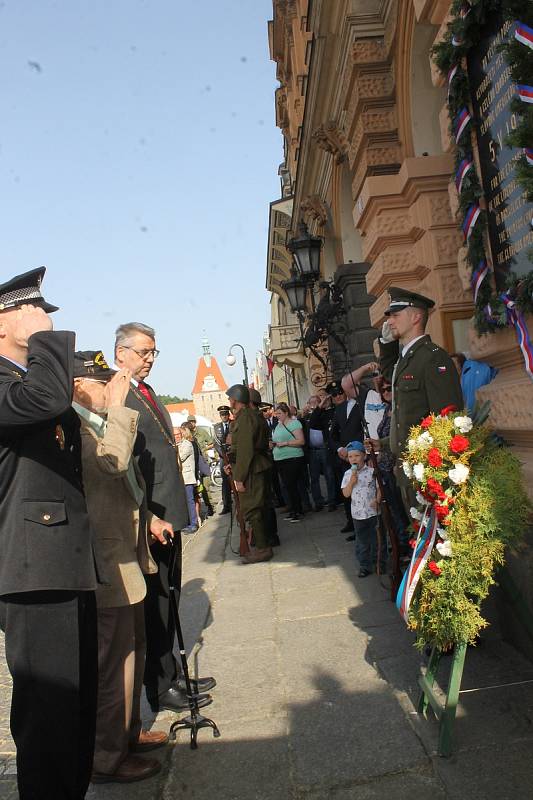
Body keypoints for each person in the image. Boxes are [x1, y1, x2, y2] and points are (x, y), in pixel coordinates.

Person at [0, 268, 99, 800]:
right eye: (29, 310)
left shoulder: (22, 381)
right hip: (31, 569)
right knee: (48, 715)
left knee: (74, 710)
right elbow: (45, 402)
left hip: (62, 562)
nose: (43, 317)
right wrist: (46, 341)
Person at [73, 351, 171, 784]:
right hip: (105, 561)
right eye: (100, 383)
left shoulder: (97, 421)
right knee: (113, 661)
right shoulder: (76, 425)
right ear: (78, 386)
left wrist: (148, 517)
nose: (110, 390)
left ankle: (129, 734)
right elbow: (108, 465)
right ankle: (106, 756)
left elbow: (126, 482)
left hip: (125, 554)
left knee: (134, 650)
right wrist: (116, 406)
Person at [114, 322, 215, 714]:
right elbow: (127, 463)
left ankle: (174, 673)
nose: (150, 360)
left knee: (170, 595)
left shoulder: (145, 390)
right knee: (154, 605)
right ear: (121, 352)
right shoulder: (119, 392)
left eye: (154, 352)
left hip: (168, 510)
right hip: (151, 515)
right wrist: (150, 515)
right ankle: (159, 685)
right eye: (144, 352)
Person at [378, 287, 463, 510]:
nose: (390, 322)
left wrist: (439, 472)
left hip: (427, 469)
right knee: (419, 534)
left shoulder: (433, 358)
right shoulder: (408, 358)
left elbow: (446, 419)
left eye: (396, 315)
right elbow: (390, 373)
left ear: (416, 317)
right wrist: (386, 345)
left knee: (434, 538)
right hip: (408, 468)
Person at [225, 384, 273, 564]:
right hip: (254, 465)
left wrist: (239, 477)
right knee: (256, 508)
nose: (229, 401)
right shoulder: (249, 416)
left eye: (231, 398)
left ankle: (262, 549)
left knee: (252, 509)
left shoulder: (245, 418)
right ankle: (262, 545)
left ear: (237, 399)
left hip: (251, 468)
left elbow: (245, 449)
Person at [330, 363, 378, 535]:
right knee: (349, 490)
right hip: (345, 456)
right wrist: (339, 449)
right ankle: (353, 523)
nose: (340, 394)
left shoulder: (364, 402)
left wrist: (360, 451)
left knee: (366, 490)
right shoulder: (340, 408)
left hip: (362, 454)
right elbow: (333, 434)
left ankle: (368, 525)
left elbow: (365, 429)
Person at [341, 441, 384, 578]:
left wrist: (377, 500)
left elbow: (379, 488)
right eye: (350, 457)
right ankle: (364, 566)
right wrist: (352, 482)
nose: (353, 459)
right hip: (358, 514)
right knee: (362, 541)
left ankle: (380, 563)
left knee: (378, 539)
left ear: (364, 456)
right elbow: (346, 494)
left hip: (373, 512)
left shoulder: (372, 472)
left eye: (357, 456)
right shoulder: (348, 474)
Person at [272, 401, 306, 523]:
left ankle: (298, 511)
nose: (277, 415)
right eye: (276, 413)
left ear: (286, 413)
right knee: (287, 486)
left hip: (292, 458)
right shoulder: (278, 425)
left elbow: (301, 441)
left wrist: (285, 443)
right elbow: (277, 439)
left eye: (279, 413)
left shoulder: (294, 423)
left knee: (292, 485)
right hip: (280, 459)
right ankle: (293, 510)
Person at [306, 392, 338, 512]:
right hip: (312, 451)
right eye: (312, 403)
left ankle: (332, 501)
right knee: (314, 478)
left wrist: (322, 407)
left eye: (317, 402)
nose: (315, 405)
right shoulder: (307, 417)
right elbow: (313, 423)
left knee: (329, 476)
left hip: (324, 449)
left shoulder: (326, 413)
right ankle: (318, 502)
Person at [186, 414, 215, 517]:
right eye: (189, 422)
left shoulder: (201, 432)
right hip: (193, 465)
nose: (191, 423)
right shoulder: (187, 433)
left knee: (206, 487)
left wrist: (204, 449)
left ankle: (210, 506)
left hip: (202, 462)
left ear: (195, 422)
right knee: (198, 488)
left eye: (192, 421)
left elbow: (212, 442)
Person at [174, 426, 199, 534]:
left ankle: (193, 524)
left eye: (177, 435)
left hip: (187, 477)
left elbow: (180, 457)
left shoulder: (187, 444)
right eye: (174, 435)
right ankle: (188, 523)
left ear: (181, 434)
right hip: (180, 478)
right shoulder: (176, 445)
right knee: (184, 502)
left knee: (190, 501)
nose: (176, 437)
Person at [213, 404, 232, 513]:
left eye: (225, 414)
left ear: (228, 414)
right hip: (223, 457)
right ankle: (226, 505)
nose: (224, 416)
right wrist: (223, 455)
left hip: (234, 456)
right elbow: (216, 443)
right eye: (222, 415)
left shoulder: (234, 424)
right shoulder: (217, 427)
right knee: (225, 482)